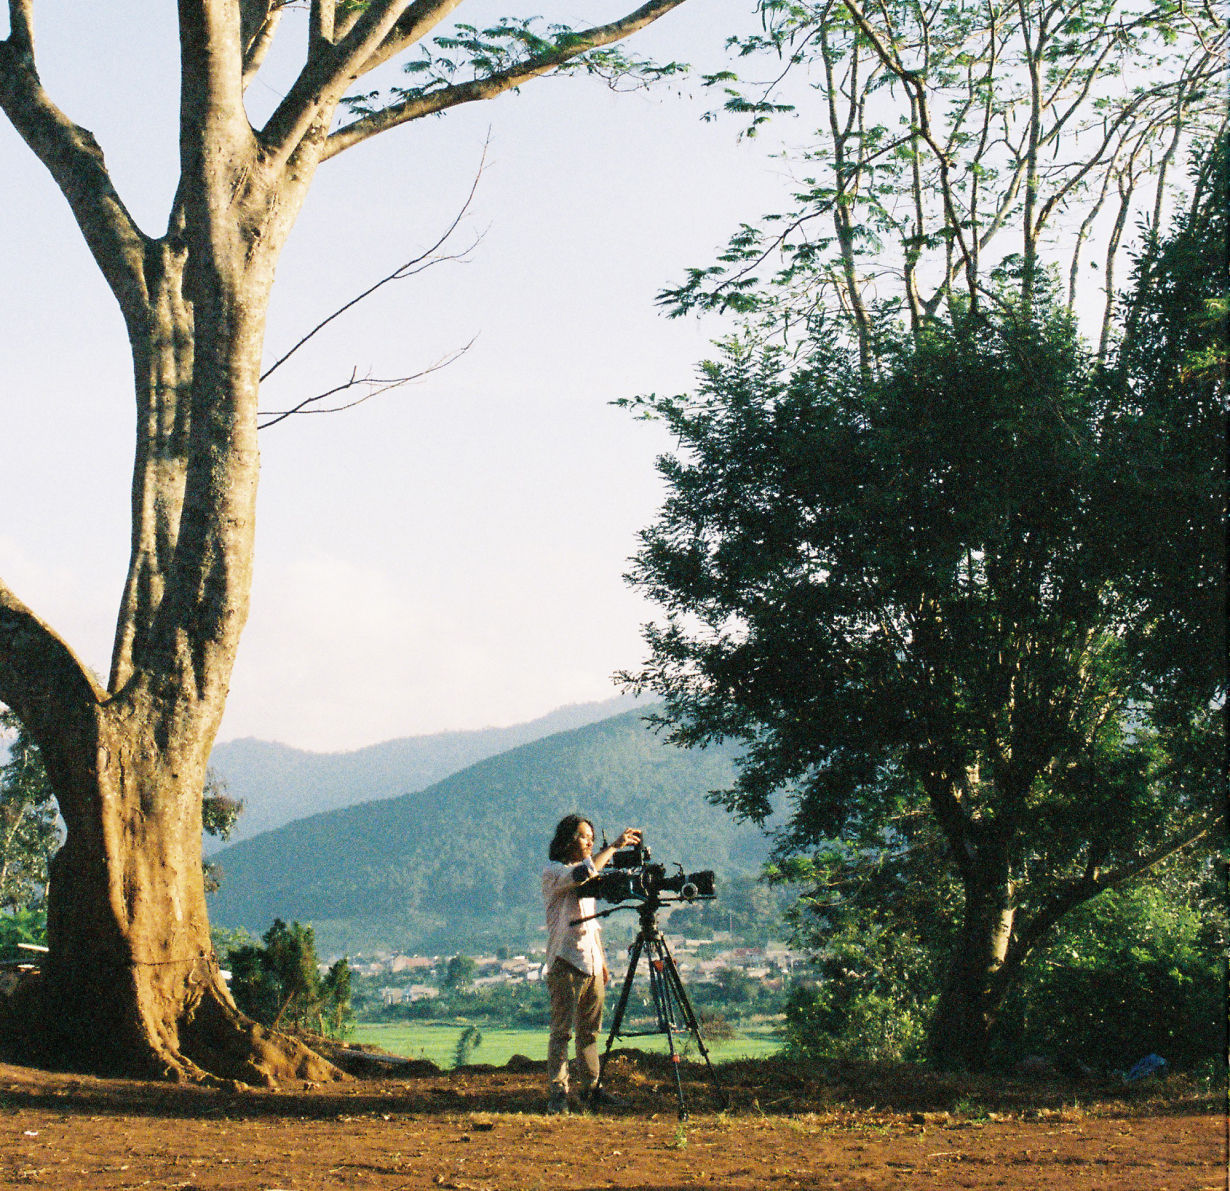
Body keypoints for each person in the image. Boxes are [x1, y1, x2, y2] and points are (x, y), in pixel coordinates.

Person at [541, 814, 641, 1114]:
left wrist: (602, 959)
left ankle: (592, 1089)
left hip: (592, 962)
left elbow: (591, 923)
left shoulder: (588, 873)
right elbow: (583, 873)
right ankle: (558, 1094)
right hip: (566, 960)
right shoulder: (554, 873)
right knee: (562, 1032)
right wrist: (614, 847)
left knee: (589, 1032)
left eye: (592, 838)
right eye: (585, 837)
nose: (590, 843)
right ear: (569, 840)